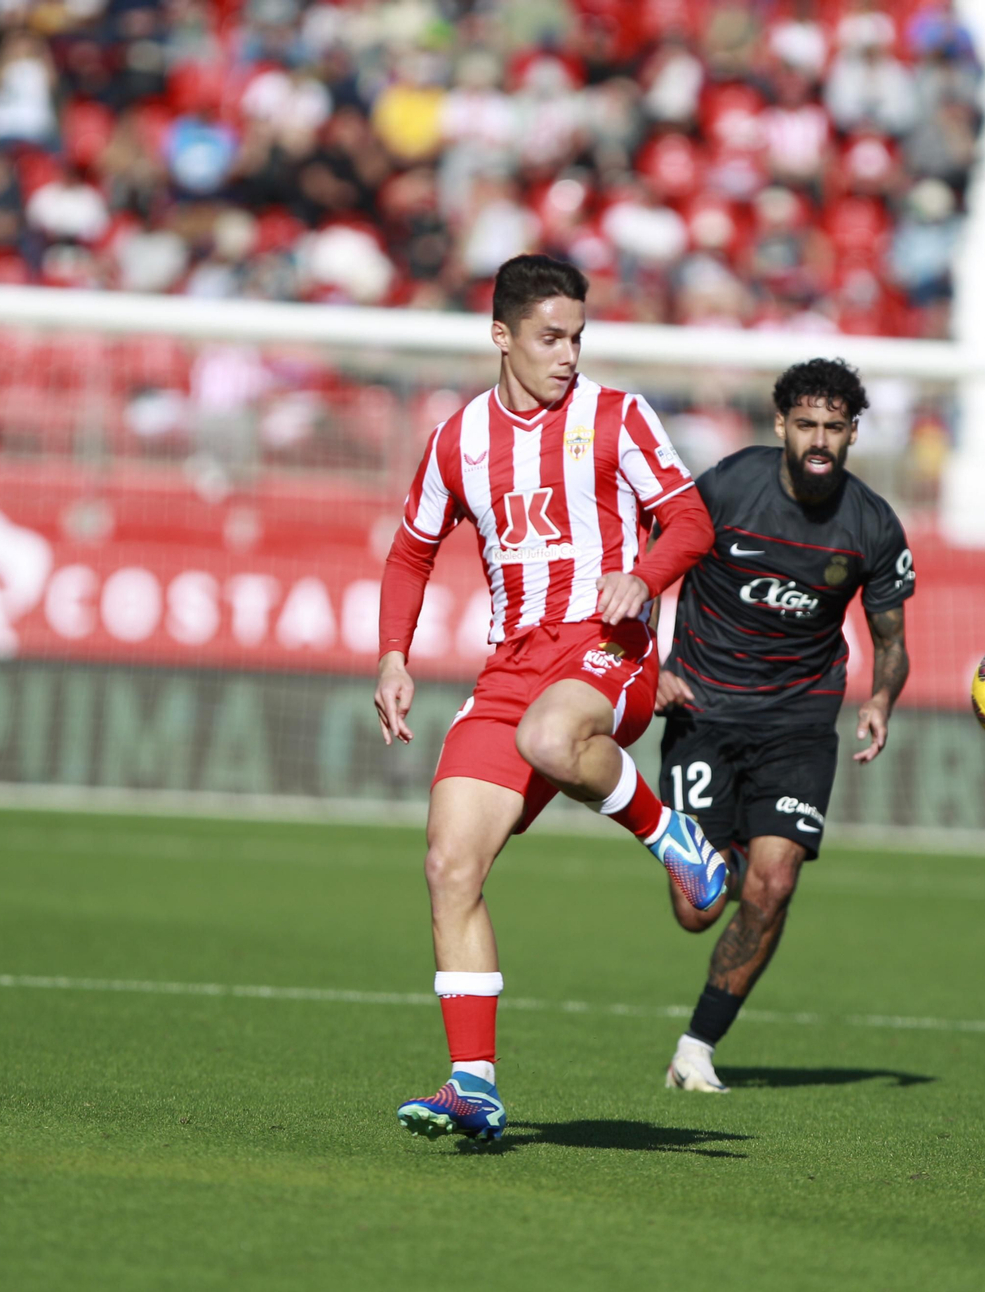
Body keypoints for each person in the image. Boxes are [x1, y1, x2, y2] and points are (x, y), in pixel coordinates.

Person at [372, 254, 727, 1142]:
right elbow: (411, 550)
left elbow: (691, 520)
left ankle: (671, 837)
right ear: (502, 336)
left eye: (577, 337)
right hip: (512, 664)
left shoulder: (617, 416)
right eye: (549, 338)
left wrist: (644, 578)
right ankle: (473, 1084)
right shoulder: (457, 439)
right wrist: (393, 656)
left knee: (548, 736)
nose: (568, 354)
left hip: (608, 645)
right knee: (450, 864)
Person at [655, 358, 914, 1093]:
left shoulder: (872, 525)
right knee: (698, 907)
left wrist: (881, 698)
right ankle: (732, 854)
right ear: (781, 425)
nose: (819, 440)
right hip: (701, 711)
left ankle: (696, 1050)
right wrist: (647, 667)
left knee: (773, 885)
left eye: (834, 426)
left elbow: (892, 641)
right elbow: (647, 568)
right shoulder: (728, 487)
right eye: (806, 424)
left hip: (798, 721)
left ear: (854, 432)